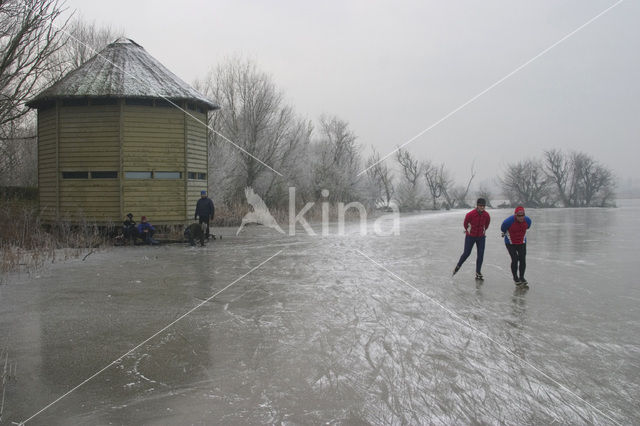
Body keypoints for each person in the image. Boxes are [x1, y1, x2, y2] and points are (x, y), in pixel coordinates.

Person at [453, 198, 490, 280]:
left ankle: (478, 272)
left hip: (481, 237)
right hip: (471, 236)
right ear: (477, 205)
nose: (482, 207)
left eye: (483, 206)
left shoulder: (486, 215)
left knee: (480, 254)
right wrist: (469, 231)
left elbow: (486, 225)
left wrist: (482, 231)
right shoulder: (470, 214)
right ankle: (458, 265)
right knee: (467, 253)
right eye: (480, 206)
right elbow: (465, 224)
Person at [501, 206, 532, 286]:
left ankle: (522, 277)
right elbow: (503, 228)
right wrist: (505, 233)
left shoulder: (528, 220)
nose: (521, 217)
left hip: (521, 242)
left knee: (522, 259)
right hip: (510, 242)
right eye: (519, 215)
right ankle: (515, 277)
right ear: (515, 215)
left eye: (522, 215)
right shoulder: (508, 221)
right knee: (515, 259)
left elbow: (527, 227)